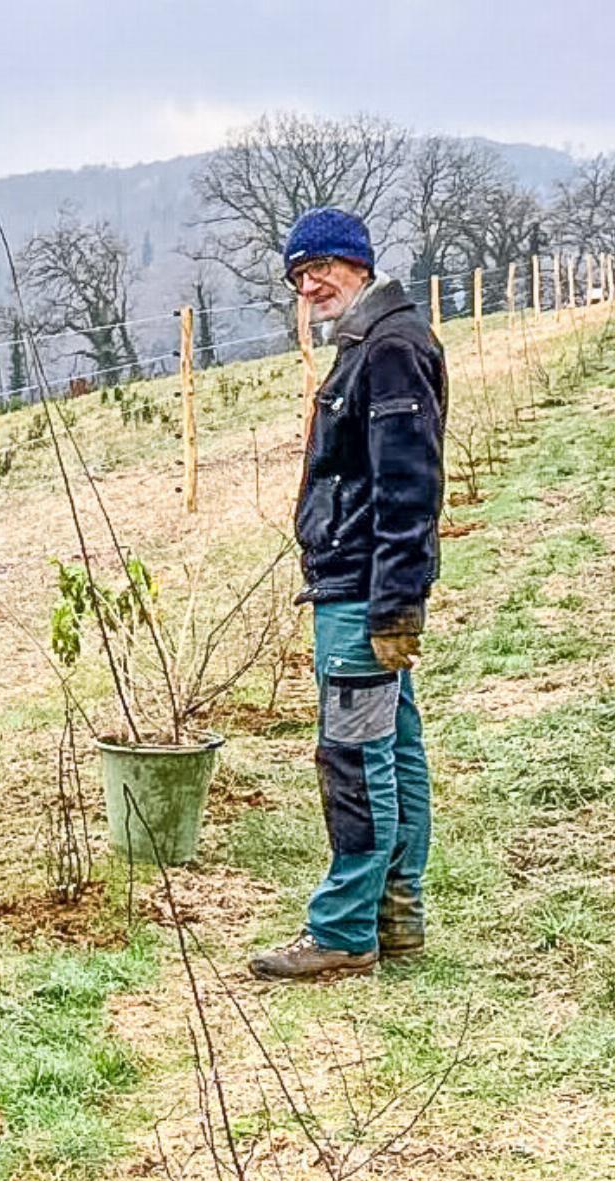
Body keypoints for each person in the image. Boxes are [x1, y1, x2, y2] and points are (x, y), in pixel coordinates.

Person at [251, 209, 445, 982]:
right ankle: (396, 913)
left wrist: (395, 602)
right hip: (361, 586)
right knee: (392, 747)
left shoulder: (390, 349)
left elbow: (408, 486)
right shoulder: (374, 343)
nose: (311, 283)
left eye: (323, 266)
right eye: (300, 275)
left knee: (355, 756)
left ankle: (342, 930)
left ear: (361, 264)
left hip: (361, 594)